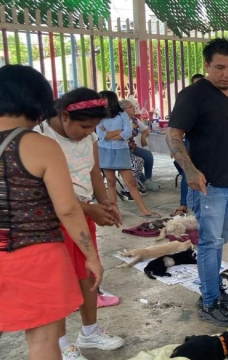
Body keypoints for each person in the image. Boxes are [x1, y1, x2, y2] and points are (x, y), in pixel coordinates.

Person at [0, 65, 103, 360]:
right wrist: (92, 257)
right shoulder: (39, 145)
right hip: (34, 256)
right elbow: (68, 209)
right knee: (44, 342)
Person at [167, 38, 228, 326]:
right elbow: (173, 135)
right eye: (219, 67)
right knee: (210, 243)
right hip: (207, 186)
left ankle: (213, 290)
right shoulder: (194, 95)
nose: (226, 73)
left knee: (219, 240)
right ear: (207, 65)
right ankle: (210, 301)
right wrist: (189, 170)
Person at [38, 88, 126, 359]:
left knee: (89, 275)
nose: (90, 132)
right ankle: (61, 344)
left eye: (94, 128)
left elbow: (93, 173)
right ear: (64, 116)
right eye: (85, 126)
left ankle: (89, 332)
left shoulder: (90, 137)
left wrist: (107, 203)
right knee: (59, 282)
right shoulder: (41, 138)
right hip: (53, 219)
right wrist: (88, 209)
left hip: (82, 216)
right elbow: (43, 192)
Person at [97, 91, 158, 217]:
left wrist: (110, 134)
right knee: (110, 181)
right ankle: (115, 211)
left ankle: (143, 209)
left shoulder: (122, 115)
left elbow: (127, 133)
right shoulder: (99, 116)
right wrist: (118, 132)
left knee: (130, 182)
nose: (101, 101)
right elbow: (101, 136)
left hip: (121, 150)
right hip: (104, 150)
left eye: (104, 98)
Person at [172, 74, 204, 216]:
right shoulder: (187, 100)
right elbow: (175, 129)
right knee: (187, 170)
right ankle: (184, 204)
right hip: (189, 142)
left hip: (208, 145)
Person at [119, 99, 158, 198]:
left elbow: (145, 129)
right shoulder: (118, 120)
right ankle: (142, 182)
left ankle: (148, 179)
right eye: (131, 107)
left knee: (147, 155)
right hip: (121, 148)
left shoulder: (134, 120)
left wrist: (144, 137)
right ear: (123, 109)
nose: (134, 108)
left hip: (132, 146)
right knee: (137, 161)